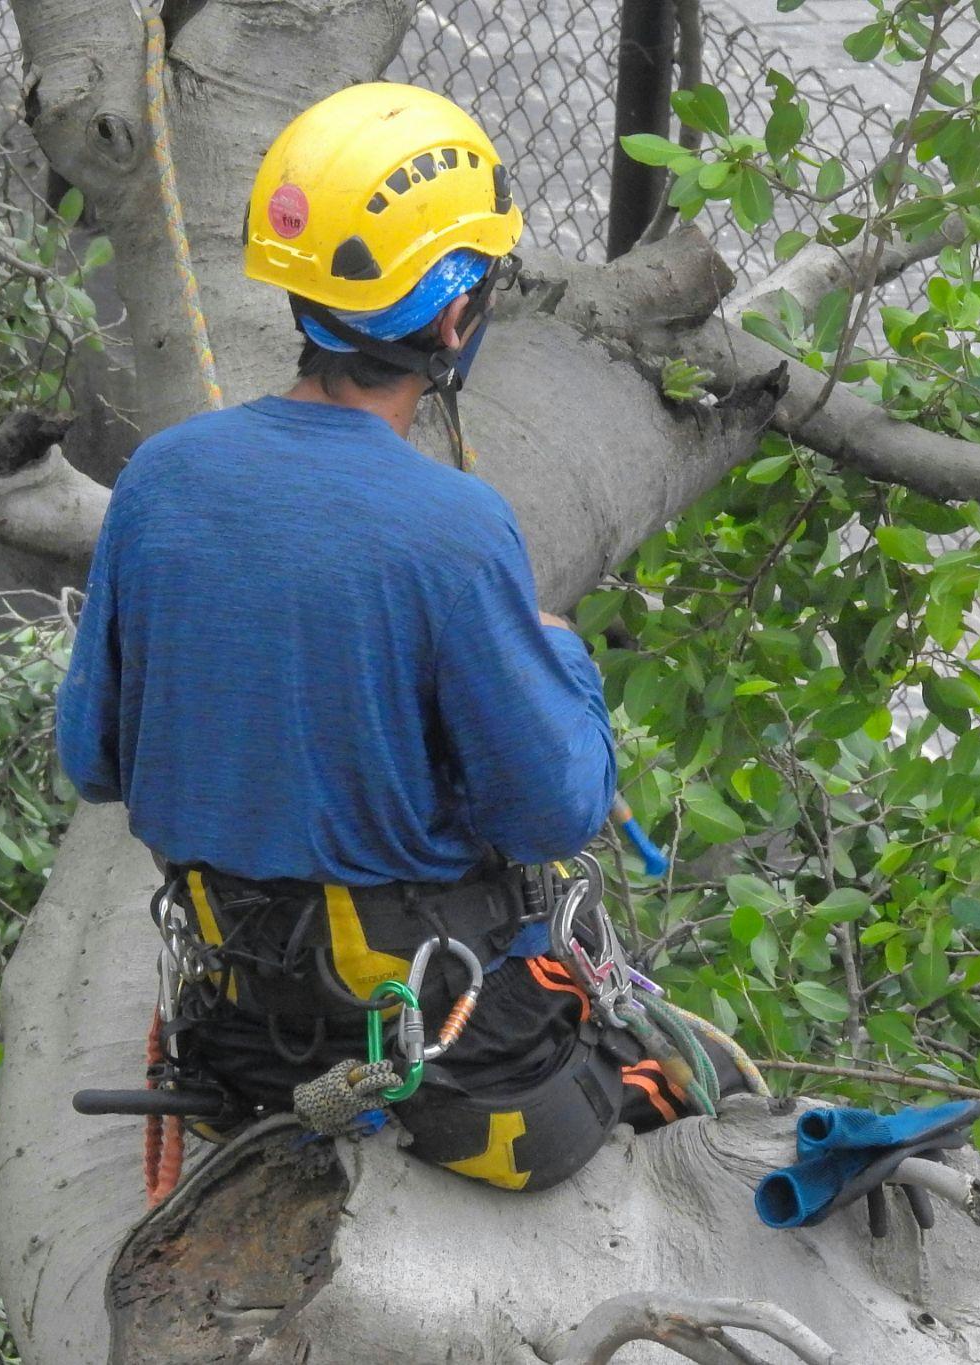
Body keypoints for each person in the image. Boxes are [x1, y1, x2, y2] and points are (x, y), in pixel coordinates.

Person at [56, 82, 731, 1191]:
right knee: (693, 1089)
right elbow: (552, 808)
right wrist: (553, 653)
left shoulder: (163, 477)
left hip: (234, 1028)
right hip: (442, 1052)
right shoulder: (453, 531)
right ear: (458, 311)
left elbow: (93, 760)